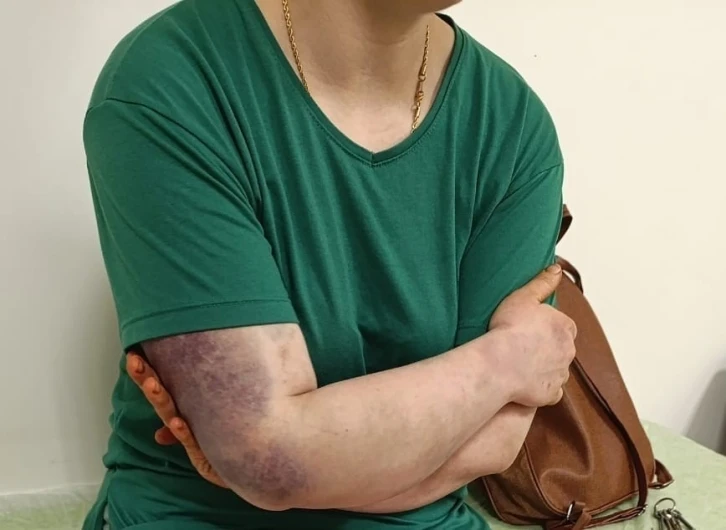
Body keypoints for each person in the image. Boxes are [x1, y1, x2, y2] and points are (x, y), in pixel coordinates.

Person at [82, 0, 576, 528]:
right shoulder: (173, 77)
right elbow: (271, 460)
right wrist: (506, 361)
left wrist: (284, 466)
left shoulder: (511, 123)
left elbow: (496, 443)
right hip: (198, 517)